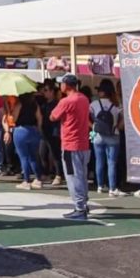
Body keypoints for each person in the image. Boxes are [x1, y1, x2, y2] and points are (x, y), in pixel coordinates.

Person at [49, 74, 91, 221]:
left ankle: (80, 208)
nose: (59, 86)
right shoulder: (84, 98)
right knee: (82, 176)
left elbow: (53, 116)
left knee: (73, 177)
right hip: (83, 143)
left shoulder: (66, 101)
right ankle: (83, 204)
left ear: (66, 85)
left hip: (70, 144)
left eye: (61, 83)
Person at [90, 79, 124, 196]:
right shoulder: (116, 105)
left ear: (103, 92)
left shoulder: (94, 104)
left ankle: (100, 186)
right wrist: (117, 127)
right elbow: (122, 121)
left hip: (97, 135)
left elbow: (86, 117)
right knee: (112, 162)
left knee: (99, 161)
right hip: (113, 135)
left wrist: (93, 126)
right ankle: (112, 188)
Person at [11, 91, 44, 191]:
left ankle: (26, 180)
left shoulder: (19, 104)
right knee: (33, 156)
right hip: (33, 130)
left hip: (21, 130)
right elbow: (39, 117)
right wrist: (39, 128)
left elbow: (14, 119)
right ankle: (38, 179)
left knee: (23, 157)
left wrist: (10, 112)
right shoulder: (35, 104)